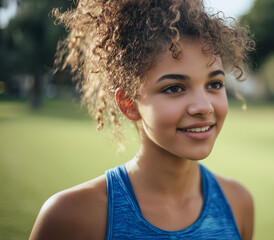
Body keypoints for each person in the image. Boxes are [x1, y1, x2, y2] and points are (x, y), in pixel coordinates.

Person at [29, 0, 255, 239]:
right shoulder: (71, 215)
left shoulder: (237, 203)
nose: (204, 106)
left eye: (214, 84)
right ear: (129, 103)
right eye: (175, 88)